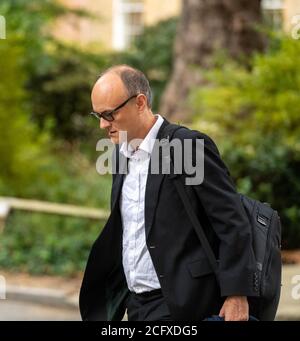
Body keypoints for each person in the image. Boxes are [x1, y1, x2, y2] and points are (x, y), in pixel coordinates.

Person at [79, 65, 258, 322]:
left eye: (109, 114)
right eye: (97, 115)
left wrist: (237, 294)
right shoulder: (119, 156)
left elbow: (232, 221)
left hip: (183, 303)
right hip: (137, 305)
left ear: (140, 103)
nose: (102, 125)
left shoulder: (186, 146)